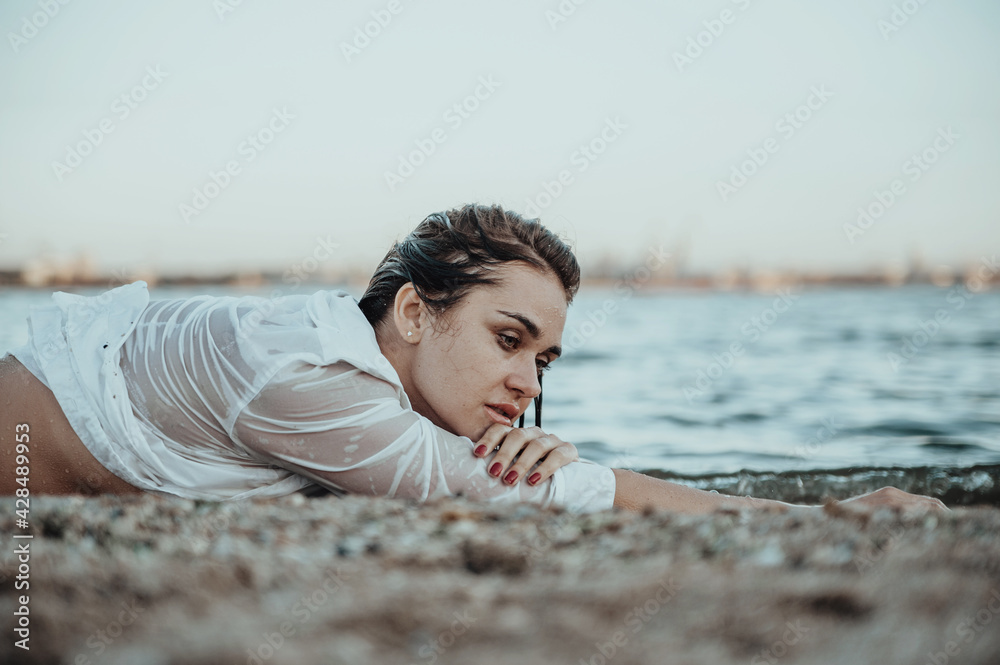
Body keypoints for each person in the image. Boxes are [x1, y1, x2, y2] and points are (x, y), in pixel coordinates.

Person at [0, 204, 944, 515]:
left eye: (546, 358)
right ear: (413, 311)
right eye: (508, 338)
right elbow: (504, 492)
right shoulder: (303, 375)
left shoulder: (363, 371)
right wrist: (828, 508)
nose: (530, 383)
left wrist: (543, 453)